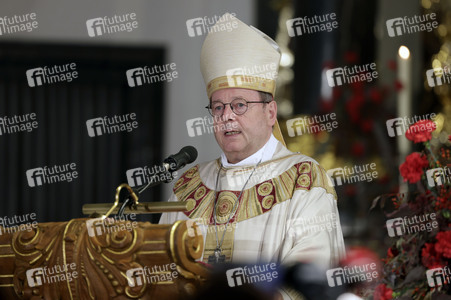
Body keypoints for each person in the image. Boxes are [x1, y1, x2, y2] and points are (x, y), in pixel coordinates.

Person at [159, 13, 345, 299]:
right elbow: (159, 273)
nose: (227, 117)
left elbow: (309, 279)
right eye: (218, 107)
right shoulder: (189, 186)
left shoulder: (304, 180)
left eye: (240, 105)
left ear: (270, 112)